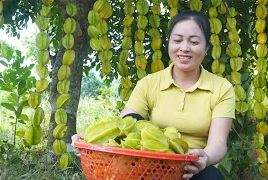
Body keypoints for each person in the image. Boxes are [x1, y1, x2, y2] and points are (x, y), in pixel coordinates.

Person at [72, 11, 235, 180]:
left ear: (207, 47)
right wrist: (88, 139)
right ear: (168, 43)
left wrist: (204, 158)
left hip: (193, 167)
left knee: (212, 177)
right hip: (151, 166)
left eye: (194, 42)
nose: (184, 48)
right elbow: (125, 123)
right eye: (177, 40)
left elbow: (218, 142)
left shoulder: (222, 88)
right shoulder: (149, 83)